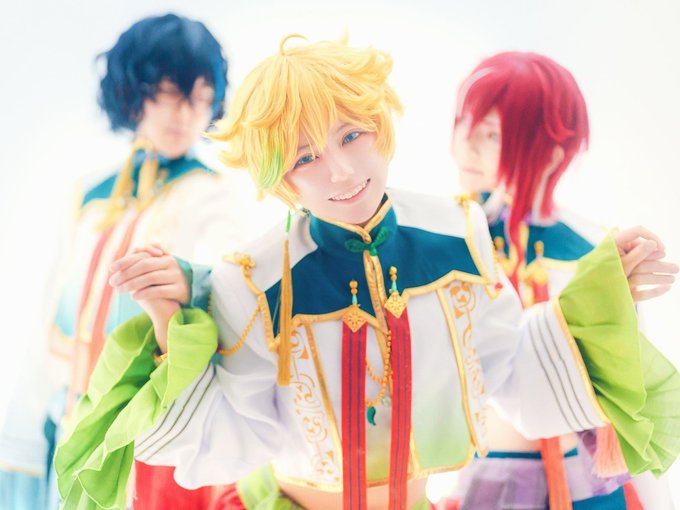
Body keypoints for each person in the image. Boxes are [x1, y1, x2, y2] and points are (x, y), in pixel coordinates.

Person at [56, 36, 680, 510]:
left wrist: (602, 297)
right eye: (304, 157)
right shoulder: (253, 279)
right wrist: (170, 322)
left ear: (381, 127)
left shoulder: (458, 234)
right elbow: (234, 438)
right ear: (279, 179)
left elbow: (512, 371)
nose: (341, 171)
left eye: (352, 135)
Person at [0, 13, 246, 510]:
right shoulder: (90, 196)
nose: (185, 114)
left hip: (151, 420)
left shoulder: (213, 195)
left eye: (200, 99)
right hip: (69, 409)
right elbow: (50, 310)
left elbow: (229, 295)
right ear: (134, 92)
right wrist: (27, 418)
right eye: (170, 93)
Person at [441, 51, 675, 509]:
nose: (466, 144)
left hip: (589, 477)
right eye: (464, 123)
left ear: (551, 152)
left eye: (492, 133)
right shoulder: (448, 243)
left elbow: (626, 390)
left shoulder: (593, 248)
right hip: (490, 477)